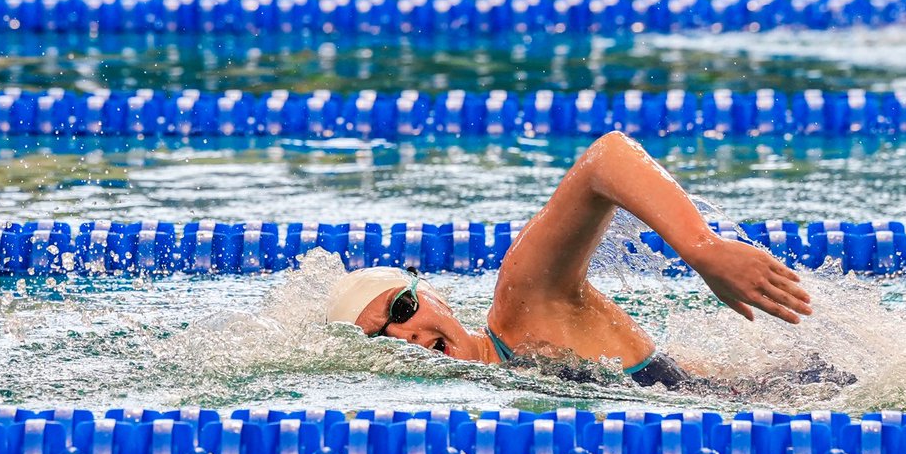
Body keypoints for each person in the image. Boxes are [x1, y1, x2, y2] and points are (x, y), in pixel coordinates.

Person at [326, 131, 812, 388]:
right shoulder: (494, 386)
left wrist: (702, 250)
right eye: (379, 339)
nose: (404, 336)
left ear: (431, 294)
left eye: (402, 309)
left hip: (803, 397)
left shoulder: (522, 305)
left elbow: (607, 158)